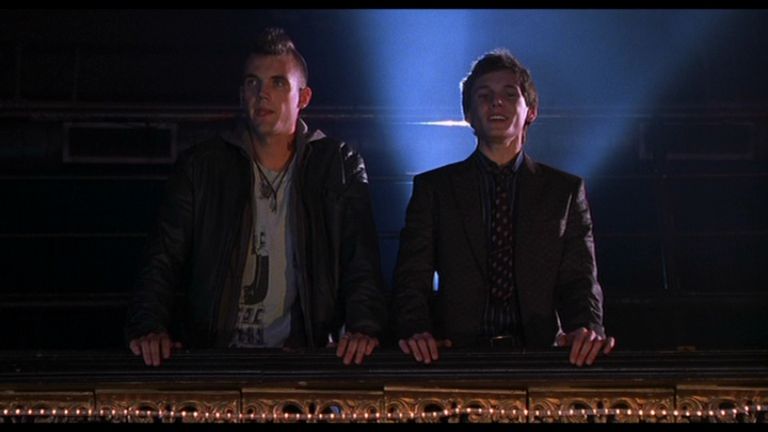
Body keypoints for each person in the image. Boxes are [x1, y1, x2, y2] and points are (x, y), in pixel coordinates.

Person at [124, 27, 387, 367]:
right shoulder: (202, 166)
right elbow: (162, 256)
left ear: (303, 98)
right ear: (242, 94)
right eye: (253, 83)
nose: (262, 94)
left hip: (304, 357)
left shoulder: (338, 165)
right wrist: (148, 328)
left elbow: (360, 261)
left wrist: (363, 329)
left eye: (278, 83)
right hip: (216, 357)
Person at [392, 49, 615, 367]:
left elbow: (580, 280)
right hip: (455, 358)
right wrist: (416, 331)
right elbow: (412, 276)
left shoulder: (564, 191)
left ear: (531, 111)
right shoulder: (435, 189)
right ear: (468, 114)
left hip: (540, 357)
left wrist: (585, 329)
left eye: (510, 95)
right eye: (484, 95)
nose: (496, 102)